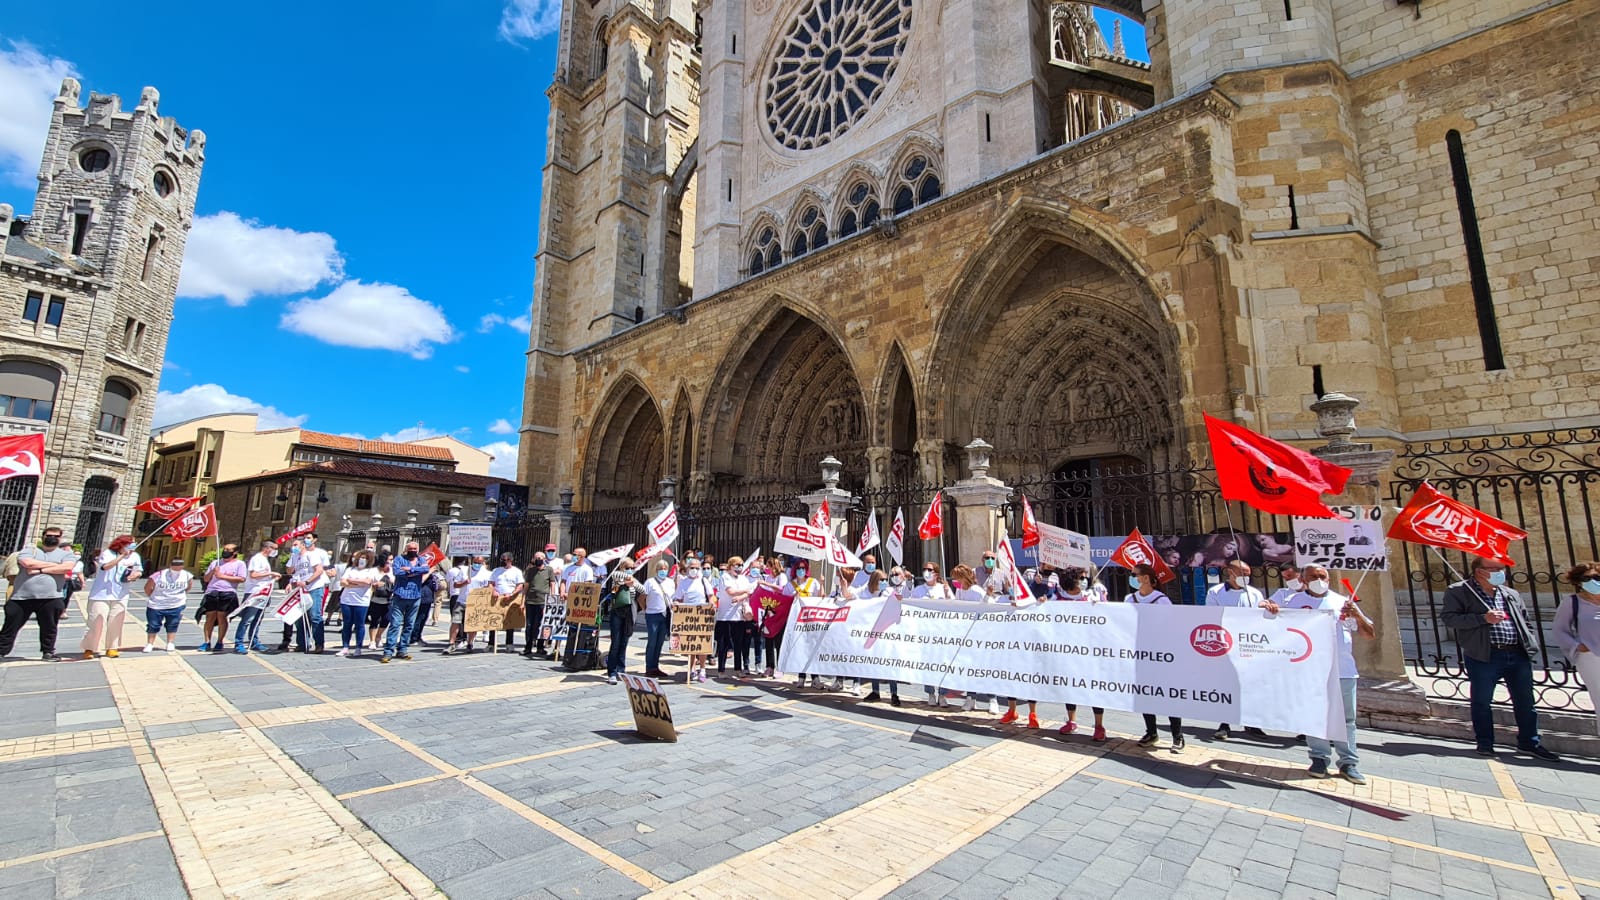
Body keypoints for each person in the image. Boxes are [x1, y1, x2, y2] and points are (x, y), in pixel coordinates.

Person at [1441, 556, 1559, 760]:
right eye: (1494, 568)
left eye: (1501, 568)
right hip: (1485, 654)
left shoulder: (1509, 593)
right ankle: (1485, 743)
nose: (1499, 572)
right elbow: (1449, 618)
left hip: (1516, 653)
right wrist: (1482, 619)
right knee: (1482, 701)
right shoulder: (1459, 591)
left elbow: (1524, 619)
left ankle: (1529, 743)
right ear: (1479, 571)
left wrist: (1529, 642)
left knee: (1525, 701)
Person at [1281, 564, 1374, 783]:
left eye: (1323, 576)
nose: (1319, 580)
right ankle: (1319, 758)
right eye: (1314, 577)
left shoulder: (1342, 602)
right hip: (1309, 671)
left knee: (1346, 719)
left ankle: (1348, 762)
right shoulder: (1292, 603)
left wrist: (1357, 616)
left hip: (1342, 670)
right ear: (1303, 580)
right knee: (1314, 716)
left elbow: (1369, 634)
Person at [1207, 560, 1276, 740]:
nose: (1246, 577)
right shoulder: (1215, 592)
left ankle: (1252, 722)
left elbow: (1260, 619)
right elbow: (1210, 616)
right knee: (1227, 685)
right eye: (1242, 573)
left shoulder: (1254, 594)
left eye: (1248, 574)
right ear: (1230, 572)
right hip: (1226, 645)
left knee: (1251, 685)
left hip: (1249, 646)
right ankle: (1224, 723)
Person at [1125, 564, 1184, 752]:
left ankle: (1177, 734)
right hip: (1139, 654)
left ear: (1145, 578)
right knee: (1144, 693)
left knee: (1167, 694)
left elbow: (1171, 625)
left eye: (1134, 574)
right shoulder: (1129, 599)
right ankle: (1151, 731)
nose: (1131, 577)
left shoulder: (1161, 600)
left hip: (1159, 655)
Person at [0, 526, 77, 660]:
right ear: (43, 537)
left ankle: (48, 652)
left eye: (56, 536)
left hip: (51, 597)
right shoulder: (31, 551)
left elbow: (67, 567)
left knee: (49, 627)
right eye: (49, 535)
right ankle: (1, 650)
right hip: (21, 597)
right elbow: (27, 563)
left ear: (60, 538)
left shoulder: (66, 554)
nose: (52, 538)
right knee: (10, 626)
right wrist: (55, 566)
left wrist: (40, 569)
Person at [1057, 567, 1105, 741]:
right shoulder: (1059, 600)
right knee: (1069, 687)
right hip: (1069, 652)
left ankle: (1099, 726)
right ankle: (1071, 721)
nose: (1085, 581)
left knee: (1093, 688)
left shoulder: (1092, 598)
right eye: (1081, 578)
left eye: (1085, 578)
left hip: (1090, 651)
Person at [1554, 562, 1600, 736]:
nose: (1593, 581)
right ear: (1578, 581)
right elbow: (1560, 629)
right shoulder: (1573, 602)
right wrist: (1576, 646)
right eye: (1586, 578)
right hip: (1591, 658)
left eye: (1597, 577)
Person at [82, 535, 142, 659]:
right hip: (101, 594)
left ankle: (112, 647)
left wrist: (135, 575)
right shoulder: (108, 553)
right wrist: (122, 556)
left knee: (116, 621)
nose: (133, 545)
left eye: (134, 543)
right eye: (131, 543)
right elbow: (105, 567)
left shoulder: (135, 556)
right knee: (96, 621)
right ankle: (90, 648)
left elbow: (138, 570)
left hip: (121, 594)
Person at [907, 563, 957, 705]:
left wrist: (948, 594)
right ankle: (930, 693)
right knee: (928, 663)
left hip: (942, 631)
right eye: (924, 569)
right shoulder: (918, 590)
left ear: (936, 573)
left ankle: (942, 694)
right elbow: (911, 606)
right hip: (925, 631)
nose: (926, 572)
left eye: (929, 570)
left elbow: (954, 605)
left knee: (943, 663)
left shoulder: (943, 588)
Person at [381, 541, 429, 663]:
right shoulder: (399, 559)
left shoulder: (421, 559)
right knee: (395, 624)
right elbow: (397, 572)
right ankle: (388, 651)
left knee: (409, 625)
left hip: (415, 597)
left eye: (415, 548)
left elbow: (426, 569)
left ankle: (402, 649)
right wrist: (415, 571)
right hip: (400, 595)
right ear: (406, 549)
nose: (413, 550)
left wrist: (409, 570)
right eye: (410, 548)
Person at [282, 535, 330, 654]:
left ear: (303, 545)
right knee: (300, 617)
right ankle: (302, 643)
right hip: (300, 589)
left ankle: (319, 644)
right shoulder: (295, 556)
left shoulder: (311, 555)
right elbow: (290, 571)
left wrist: (307, 581)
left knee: (314, 616)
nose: (293, 547)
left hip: (314, 587)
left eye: (296, 545)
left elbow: (319, 570)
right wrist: (292, 562)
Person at [863, 567, 903, 706]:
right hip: (873, 632)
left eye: (886, 580)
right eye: (882, 580)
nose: (885, 582)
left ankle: (894, 693)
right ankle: (875, 691)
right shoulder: (868, 593)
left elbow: (900, 600)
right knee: (874, 661)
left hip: (887, 631)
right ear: (875, 581)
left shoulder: (889, 592)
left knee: (889, 662)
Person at [672, 556, 715, 683]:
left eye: (697, 568)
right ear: (687, 568)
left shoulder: (703, 581)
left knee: (702, 644)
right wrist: (675, 603)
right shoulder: (683, 582)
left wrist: (711, 604)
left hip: (702, 617)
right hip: (688, 618)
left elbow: (711, 597)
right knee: (691, 645)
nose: (694, 570)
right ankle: (691, 669)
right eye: (692, 568)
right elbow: (678, 598)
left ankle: (702, 669)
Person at [784, 560, 824, 688]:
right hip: (797, 622)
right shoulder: (790, 585)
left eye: (803, 568)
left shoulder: (813, 582)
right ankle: (801, 677)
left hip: (811, 621)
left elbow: (822, 597)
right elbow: (783, 601)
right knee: (800, 648)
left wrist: (822, 583)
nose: (801, 570)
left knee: (813, 649)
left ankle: (815, 678)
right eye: (798, 568)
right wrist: (793, 597)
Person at [198, 545, 246, 652]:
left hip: (227, 593)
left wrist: (222, 576)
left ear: (235, 552)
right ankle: (206, 642)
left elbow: (241, 579)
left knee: (222, 618)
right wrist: (213, 572)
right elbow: (206, 579)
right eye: (224, 549)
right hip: (212, 592)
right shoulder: (215, 563)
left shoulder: (239, 564)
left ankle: (220, 641)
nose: (225, 551)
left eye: (229, 550)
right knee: (209, 617)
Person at [234, 540, 278, 654]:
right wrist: (270, 574)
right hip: (255, 592)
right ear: (267, 548)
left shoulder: (265, 560)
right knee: (248, 619)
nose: (275, 551)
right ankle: (238, 643)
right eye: (274, 548)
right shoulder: (257, 558)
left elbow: (263, 577)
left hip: (264, 593)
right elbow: (253, 575)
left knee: (258, 619)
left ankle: (254, 641)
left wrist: (271, 578)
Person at [715, 555, 755, 677]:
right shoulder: (725, 577)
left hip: (739, 617)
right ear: (731, 566)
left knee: (738, 644)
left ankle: (738, 669)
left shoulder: (743, 579)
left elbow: (749, 592)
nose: (739, 567)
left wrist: (740, 597)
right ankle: (721, 670)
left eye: (741, 565)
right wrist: (744, 592)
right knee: (724, 644)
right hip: (725, 617)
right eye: (737, 565)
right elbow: (731, 592)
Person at [142, 558, 192, 652]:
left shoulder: (187, 575)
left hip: (176, 604)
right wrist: (153, 597)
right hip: (156, 604)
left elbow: (188, 587)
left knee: (173, 624)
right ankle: (150, 644)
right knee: (153, 625)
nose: (177, 567)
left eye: (179, 565)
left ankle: (170, 643)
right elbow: (148, 587)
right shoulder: (159, 574)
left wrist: (179, 597)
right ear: (170, 565)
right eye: (175, 565)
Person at [604, 560, 641, 683]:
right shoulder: (617, 576)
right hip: (617, 611)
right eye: (628, 567)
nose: (631, 569)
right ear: (623, 567)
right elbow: (615, 575)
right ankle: (612, 672)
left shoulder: (633, 580)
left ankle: (621, 669)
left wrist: (632, 584)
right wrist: (627, 580)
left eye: (632, 567)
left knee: (624, 642)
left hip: (629, 613)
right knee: (616, 642)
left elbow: (643, 589)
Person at [336, 550, 378, 657]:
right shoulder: (350, 569)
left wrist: (351, 581)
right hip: (347, 600)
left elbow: (367, 582)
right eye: (360, 557)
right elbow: (343, 582)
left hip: (361, 601)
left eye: (365, 558)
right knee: (347, 624)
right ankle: (345, 646)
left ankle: (358, 647)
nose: (361, 560)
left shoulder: (371, 571)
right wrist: (358, 584)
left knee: (359, 624)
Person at [486, 551, 525, 654]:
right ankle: (491, 643)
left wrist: (512, 594)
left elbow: (520, 585)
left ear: (510, 560)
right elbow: (491, 583)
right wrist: (493, 590)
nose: (504, 562)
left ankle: (509, 644)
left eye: (506, 560)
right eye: (502, 560)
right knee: (493, 620)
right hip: (498, 598)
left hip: (510, 598)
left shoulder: (517, 571)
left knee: (510, 622)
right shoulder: (496, 571)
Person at [641, 558, 674, 678]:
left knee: (660, 642)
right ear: (656, 570)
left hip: (665, 615)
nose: (663, 571)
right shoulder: (650, 582)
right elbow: (642, 597)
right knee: (652, 641)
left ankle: (656, 666)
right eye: (661, 569)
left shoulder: (671, 582)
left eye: (665, 569)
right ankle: (649, 667)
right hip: (653, 615)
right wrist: (646, 609)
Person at [522, 552, 554, 658]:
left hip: (543, 601)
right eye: (536, 558)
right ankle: (528, 647)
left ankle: (540, 647)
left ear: (544, 559)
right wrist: (522, 601)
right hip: (531, 601)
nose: (538, 559)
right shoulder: (530, 570)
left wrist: (552, 599)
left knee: (540, 625)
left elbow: (552, 584)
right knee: (529, 625)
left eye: (540, 557)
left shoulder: (549, 570)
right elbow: (526, 586)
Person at [367, 557, 394, 651]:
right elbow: (368, 581)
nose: (390, 562)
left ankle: (378, 636)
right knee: (375, 620)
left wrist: (391, 581)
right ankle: (372, 641)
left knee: (386, 619)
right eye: (388, 560)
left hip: (388, 599)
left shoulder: (392, 571)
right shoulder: (374, 571)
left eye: (391, 560)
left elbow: (395, 581)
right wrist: (375, 584)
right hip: (375, 599)